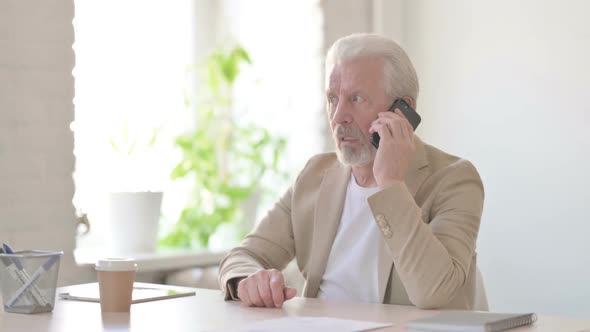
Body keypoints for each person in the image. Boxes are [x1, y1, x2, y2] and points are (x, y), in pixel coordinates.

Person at [218, 33, 484, 310]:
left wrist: (391, 183)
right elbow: (243, 256)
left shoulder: (454, 179)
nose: (338, 116)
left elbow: (433, 293)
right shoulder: (315, 175)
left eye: (356, 99)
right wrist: (248, 280)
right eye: (333, 99)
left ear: (403, 110)